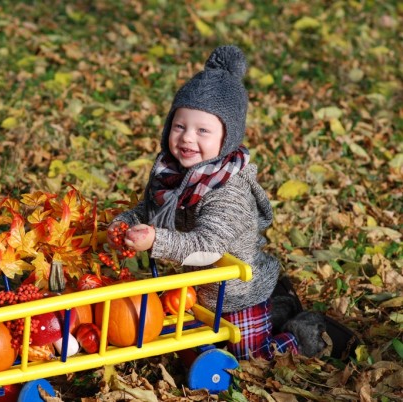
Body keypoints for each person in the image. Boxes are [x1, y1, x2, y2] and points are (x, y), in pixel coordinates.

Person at [107, 45, 327, 360]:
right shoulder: (172, 173)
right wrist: (126, 223)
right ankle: (279, 308)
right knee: (186, 346)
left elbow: (209, 246)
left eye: (203, 131)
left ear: (227, 138)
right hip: (194, 288)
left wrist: (156, 240)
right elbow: (148, 210)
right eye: (179, 126)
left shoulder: (228, 190)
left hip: (236, 295)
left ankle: (298, 333)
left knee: (251, 357)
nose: (186, 138)